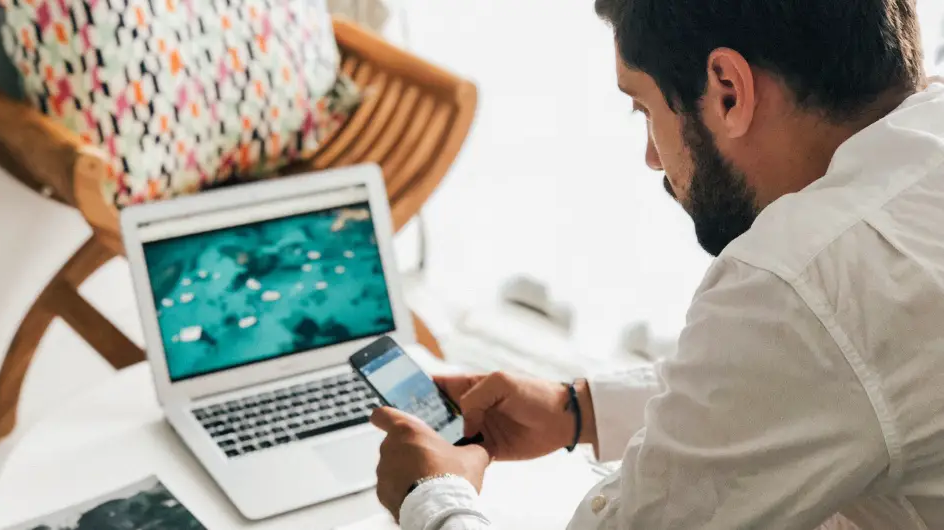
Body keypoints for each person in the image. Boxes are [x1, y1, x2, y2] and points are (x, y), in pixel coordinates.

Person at [370, 0, 944, 528]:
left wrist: (432, 493)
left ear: (726, 90)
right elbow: (828, 384)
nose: (650, 157)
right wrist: (578, 410)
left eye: (642, 107)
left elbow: (815, 346)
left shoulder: (802, 280)